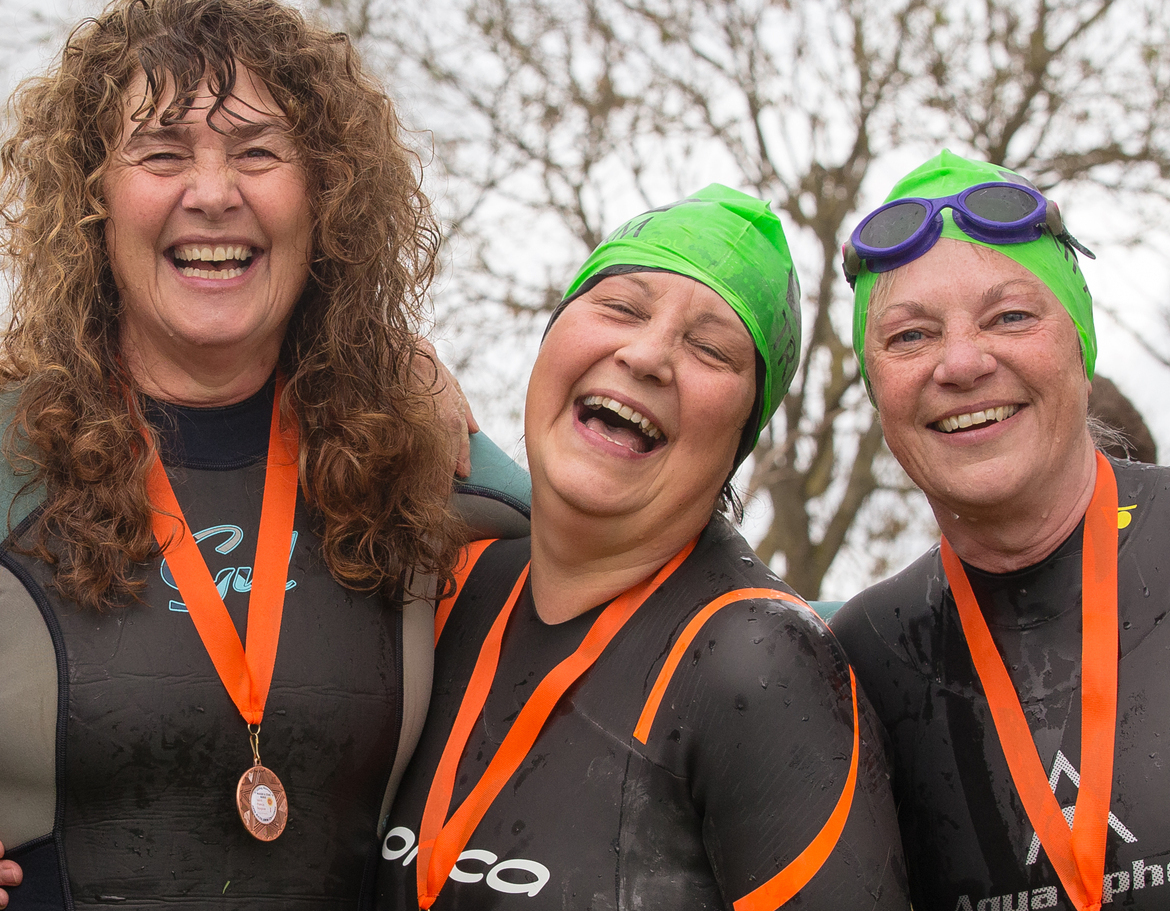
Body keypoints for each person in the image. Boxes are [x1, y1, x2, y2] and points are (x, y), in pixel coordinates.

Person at [0, 1, 530, 909]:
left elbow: (618, 552)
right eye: (162, 153)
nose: (213, 192)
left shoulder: (413, 469)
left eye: (257, 151)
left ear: (326, 193)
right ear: (90, 199)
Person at [830, 150, 1170, 910]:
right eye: (910, 335)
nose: (961, 361)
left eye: (1010, 315)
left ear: (1080, 345)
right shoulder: (861, 658)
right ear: (877, 387)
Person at [371, 186, 909, 909]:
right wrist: (381, 355)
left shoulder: (766, 667)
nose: (649, 353)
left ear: (740, 439)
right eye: (621, 307)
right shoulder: (445, 584)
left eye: (711, 348)